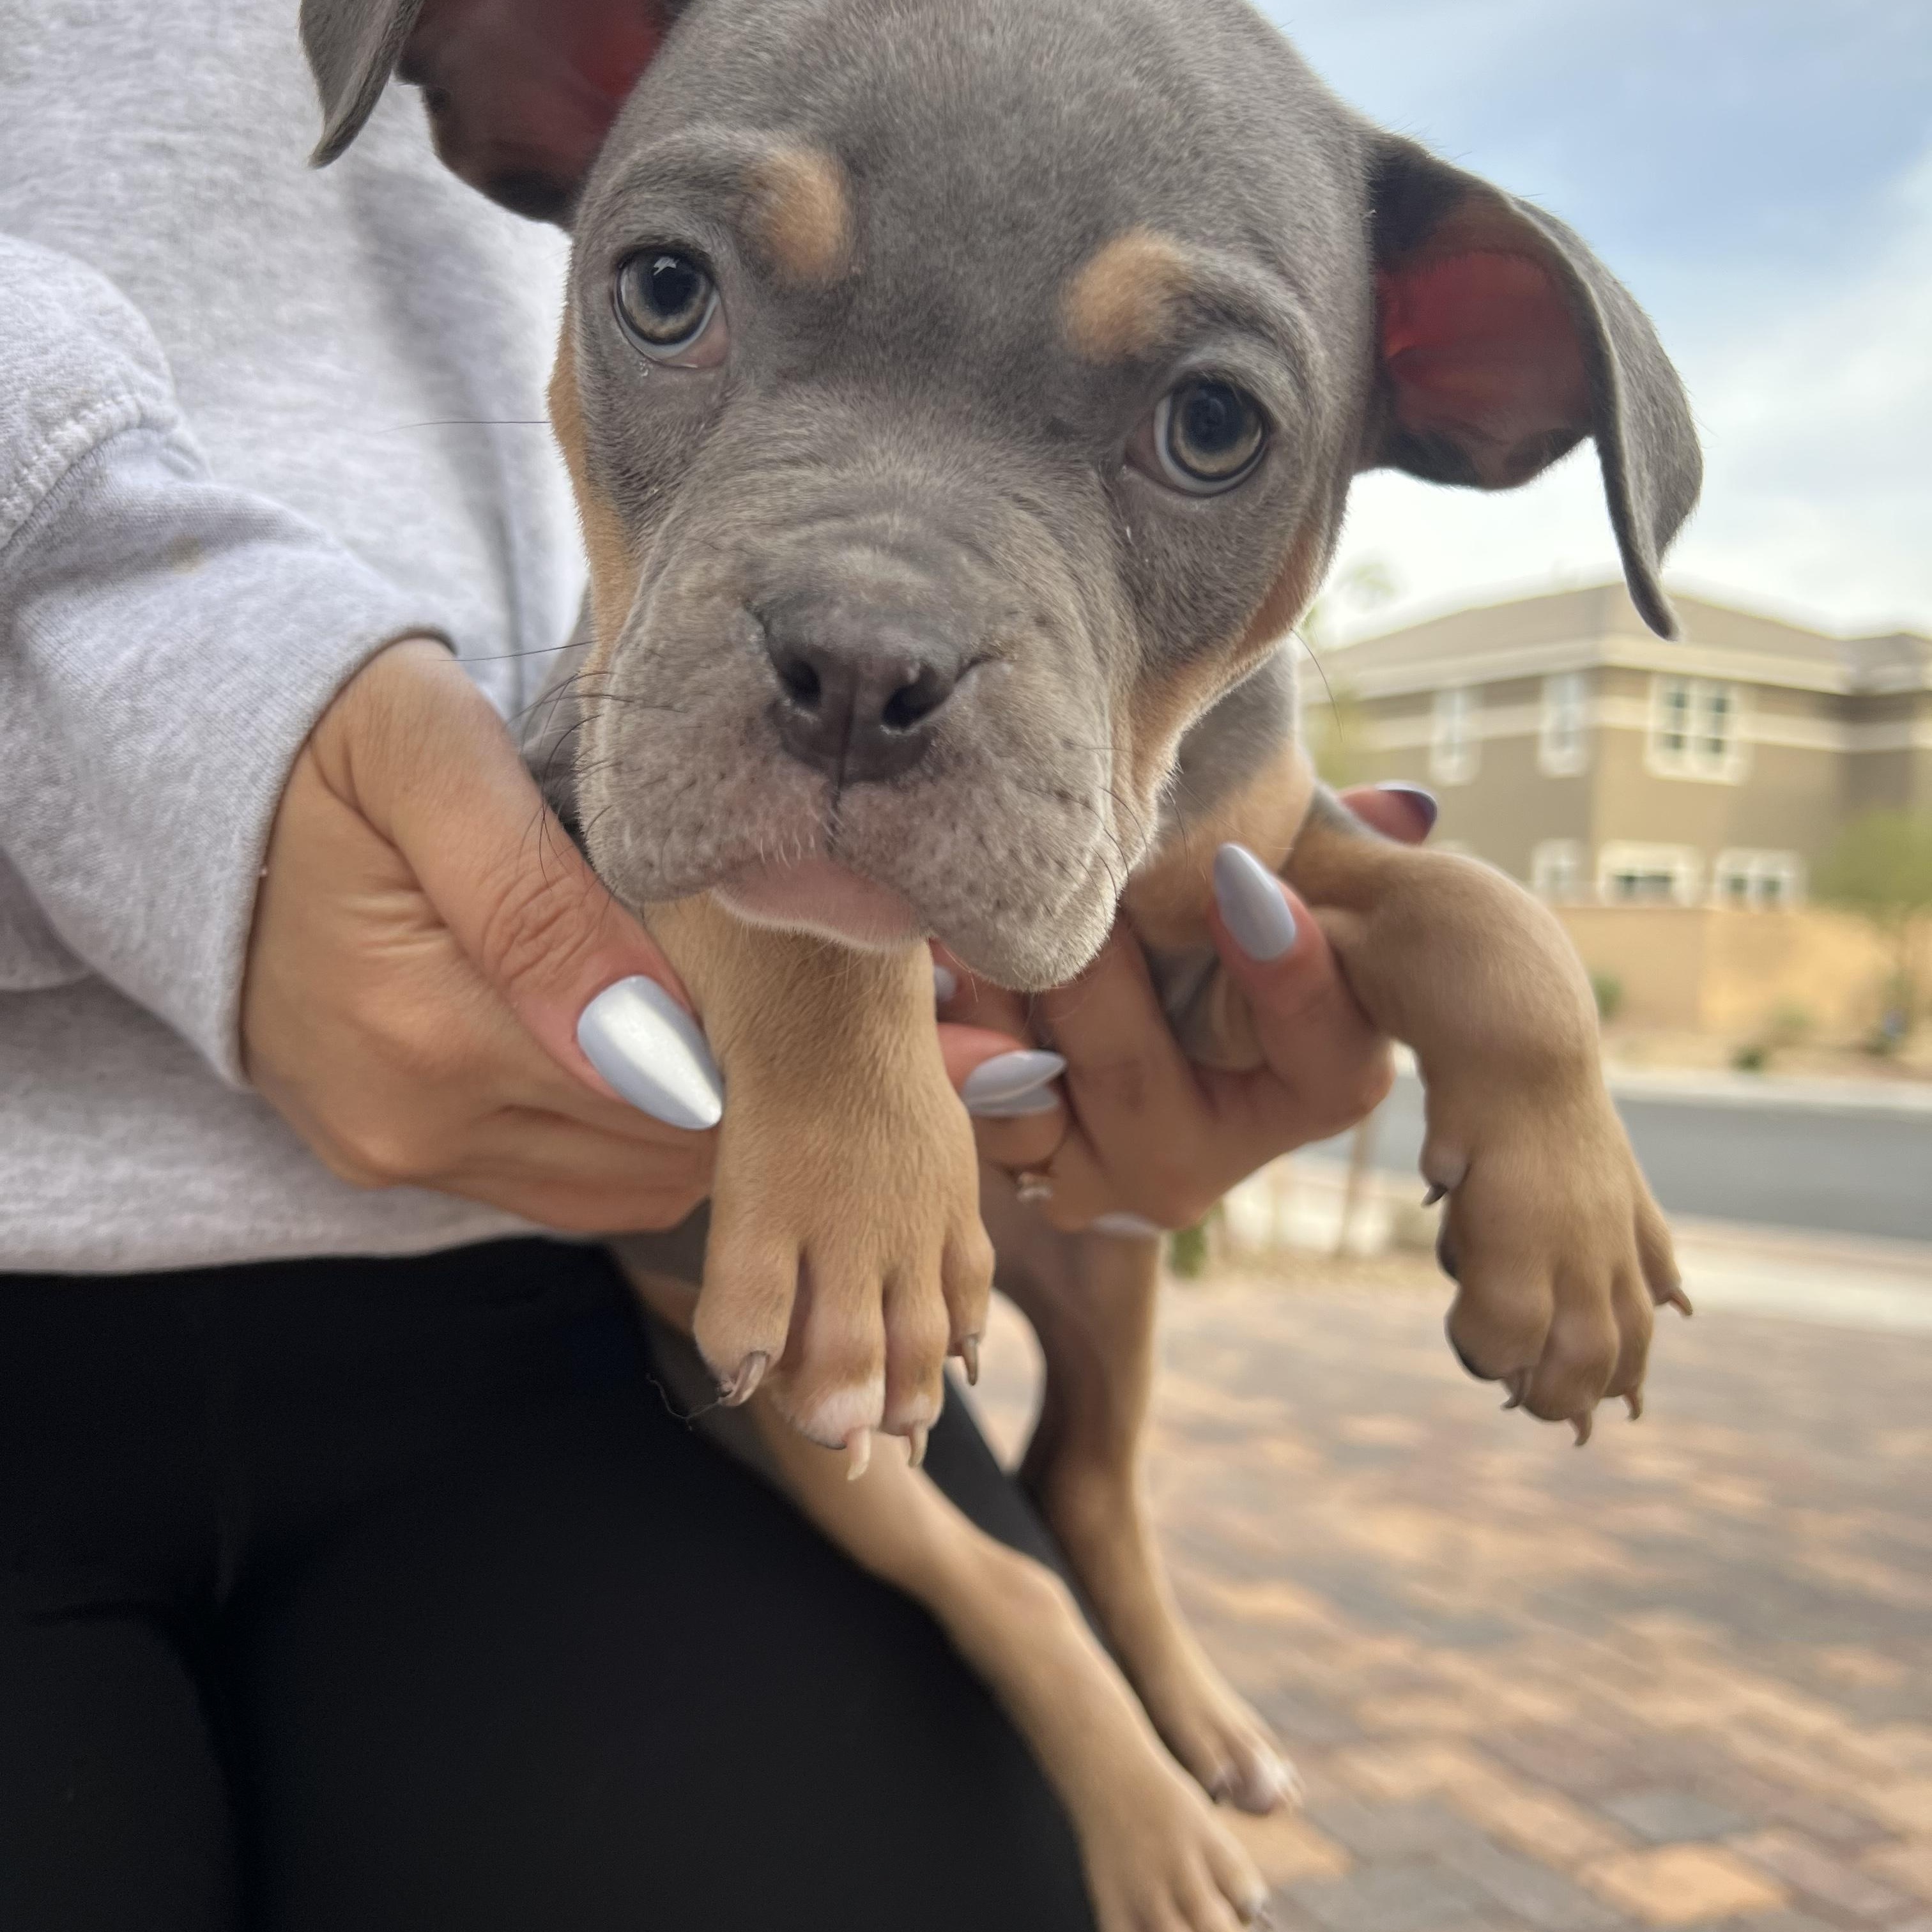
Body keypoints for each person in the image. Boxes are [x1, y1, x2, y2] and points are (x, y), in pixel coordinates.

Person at [0, 4, 1432, 1925]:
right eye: (672, 287)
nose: (869, 629)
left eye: (1209, 422)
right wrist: (174, 726)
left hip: (580, 1294)